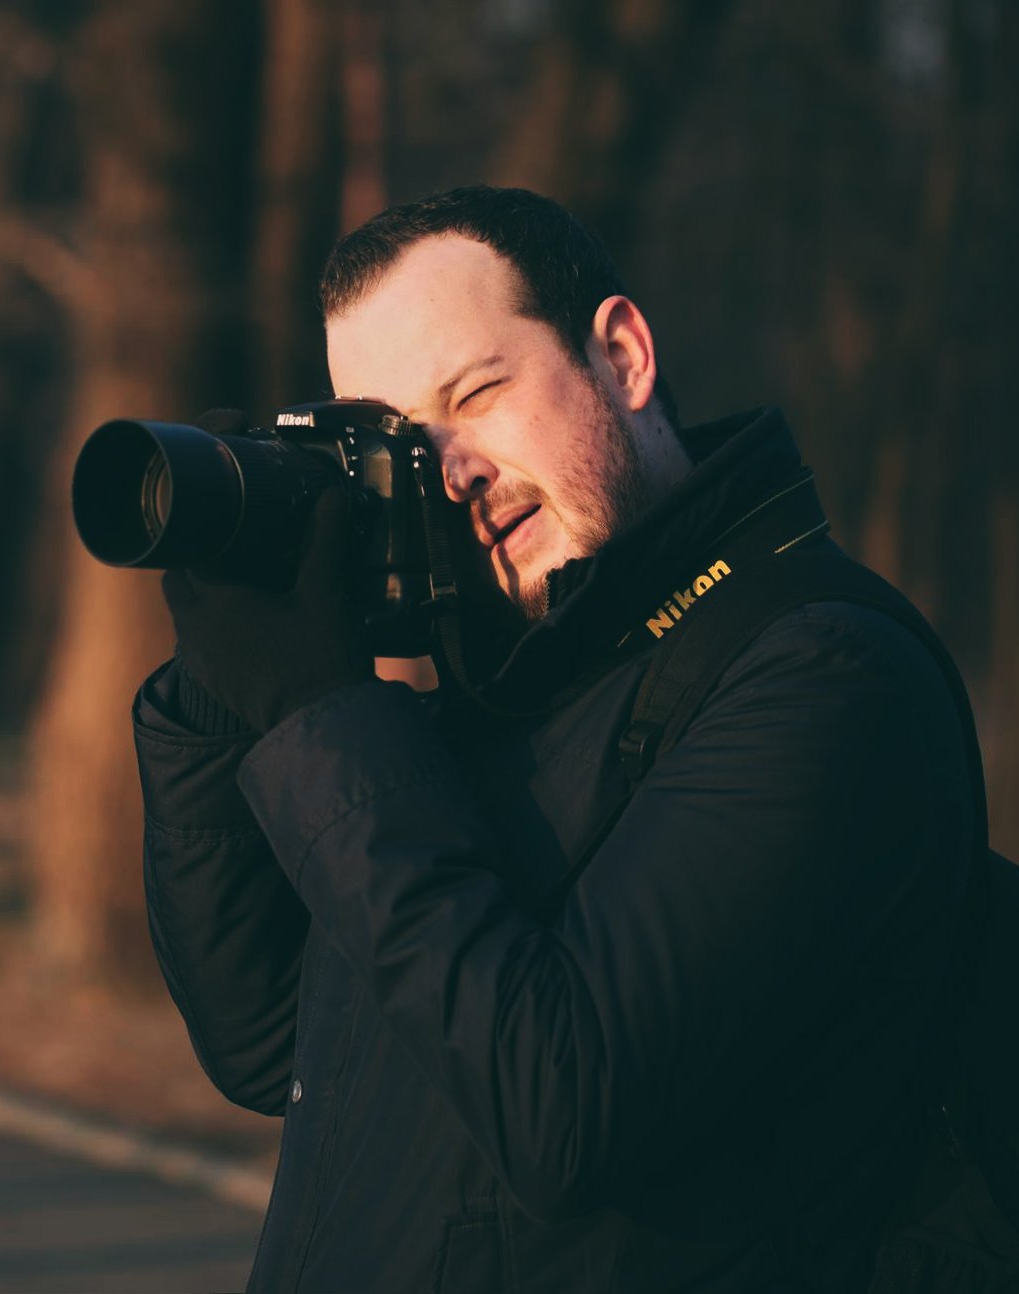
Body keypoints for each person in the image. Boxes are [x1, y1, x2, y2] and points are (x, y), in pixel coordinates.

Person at [132, 186, 973, 1293]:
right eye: (398, 441)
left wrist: (319, 716)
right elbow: (264, 1038)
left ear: (620, 355)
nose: (450, 471)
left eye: (476, 392)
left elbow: (561, 1105)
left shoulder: (821, 672)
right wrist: (220, 695)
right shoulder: (502, 682)